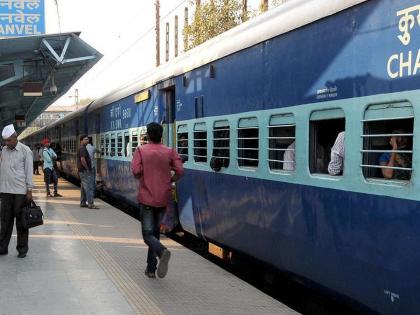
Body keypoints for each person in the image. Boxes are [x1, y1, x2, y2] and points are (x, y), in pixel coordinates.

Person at [131, 122, 184, 279]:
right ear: (161, 135)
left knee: (148, 235)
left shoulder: (141, 150)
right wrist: (170, 179)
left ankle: (162, 251)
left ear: (148, 134)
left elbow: (136, 171)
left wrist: (144, 176)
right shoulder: (170, 151)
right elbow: (180, 170)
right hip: (163, 198)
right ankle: (150, 269)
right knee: (154, 233)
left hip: (146, 197)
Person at [0, 124, 33, 258]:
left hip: (20, 192)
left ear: (15, 137)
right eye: (5, 141)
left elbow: (29, 171)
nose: (6, 143)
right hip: (6, 191)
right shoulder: (4, 150)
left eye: (9, 140)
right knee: (5, 221)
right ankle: (2, 248)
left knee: (21, 222)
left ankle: (22, 249)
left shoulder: (26, 150)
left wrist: (29, 190)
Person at [78, 135, 99, 209]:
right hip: (84, 171)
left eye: (88, 139)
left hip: (83, 171)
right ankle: (90, 204)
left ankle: (83, 202)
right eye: (85, 139)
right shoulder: (82, 148)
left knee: (83, 188)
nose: (87, 140)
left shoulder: (83, 148)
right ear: (81, 140)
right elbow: (83, 160)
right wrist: (87, 168)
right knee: (89, 187)